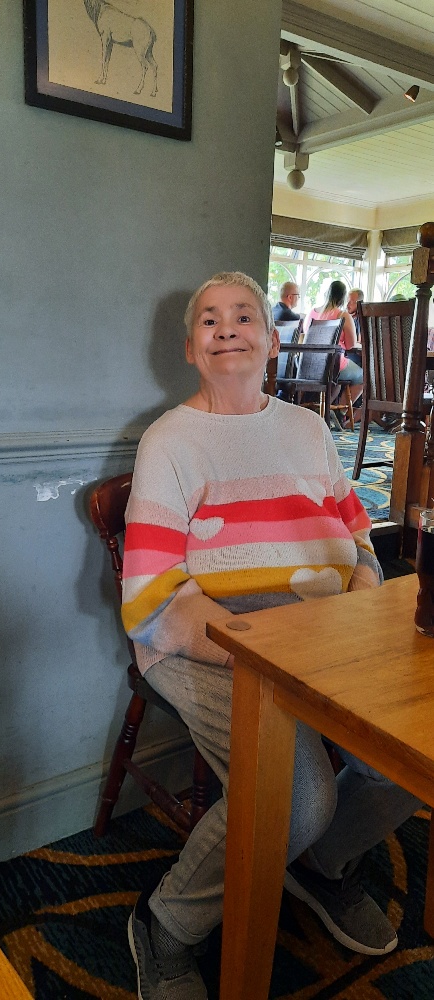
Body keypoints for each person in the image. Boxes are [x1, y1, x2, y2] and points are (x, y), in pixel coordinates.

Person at [121, 272, 420, 1000]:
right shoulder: (169, 442)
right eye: (209, 320)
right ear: (191, 349)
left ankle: (320, 864)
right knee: (297, 800)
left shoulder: (309, 429)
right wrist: (273, 649)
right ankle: (164, 924)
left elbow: (359, 538)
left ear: (273, 340)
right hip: (203, 642)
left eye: (244, 315)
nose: (227, 327)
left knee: (409, 749)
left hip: (320, 638)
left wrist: (357, 606)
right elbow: (152, 597)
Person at [304, 280, 363, 416]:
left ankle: (324, 412)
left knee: (337, 382)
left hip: (308, 364)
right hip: (331, 365)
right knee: (363, 378)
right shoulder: (342, 315)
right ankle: (340, 413)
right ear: (343, 298)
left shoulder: (311, 313)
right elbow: (351, 345)